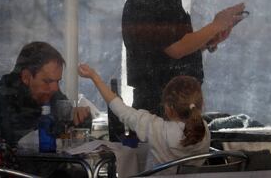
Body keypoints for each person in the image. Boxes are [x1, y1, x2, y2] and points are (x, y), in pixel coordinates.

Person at [122, 0, 245, 115]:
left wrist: (209, 40)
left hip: (172, 104)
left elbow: (173, 47)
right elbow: (176, 48)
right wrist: (215, 25)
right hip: (159, 107)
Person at [78, 63, 210, 173]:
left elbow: (121, 110)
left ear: (168, 108)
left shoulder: (157, 129)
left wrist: (94, 77)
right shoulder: (204, 131)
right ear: (200, 105)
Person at [0, 41, 91, 147]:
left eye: (58, 81)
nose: (55, 88)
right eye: (47, 81)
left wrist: (81, 119)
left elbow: (67, 133)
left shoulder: (53, 96)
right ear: (26, 77)